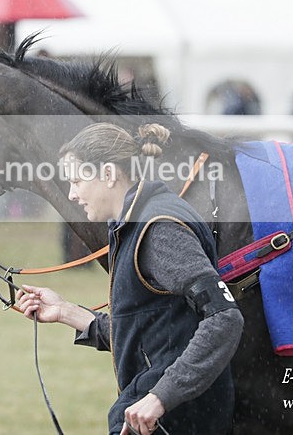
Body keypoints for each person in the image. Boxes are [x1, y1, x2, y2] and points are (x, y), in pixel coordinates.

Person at [16, 123, 244, 435]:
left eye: (77, 181)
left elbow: (224, 318)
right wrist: (65, 312)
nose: (71, 193)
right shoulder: (135, 223)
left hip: (178, 421)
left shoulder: (158, 228)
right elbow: (152, 334)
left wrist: (159, 398)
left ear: (108, 174)